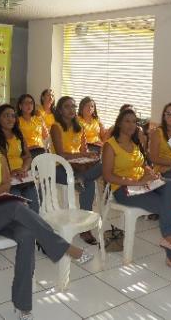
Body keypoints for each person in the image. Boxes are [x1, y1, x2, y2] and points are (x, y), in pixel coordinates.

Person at [0, 114, 92, 320]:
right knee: (16, 206)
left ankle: (22, 305)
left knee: (26, 234)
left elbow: (5, 185)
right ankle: (64, 247)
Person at [102, 109, 171, 275]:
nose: (131, 125)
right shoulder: (110, 145)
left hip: (142, 185)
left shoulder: (136, 144)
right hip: (123, 190)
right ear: (120, 123)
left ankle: (169, 239)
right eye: (127, 121)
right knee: (168, 205)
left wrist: (150, 173)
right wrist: (135, 181)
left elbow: (142, 165)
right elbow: (107, 176)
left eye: (134, 122)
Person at [50, 96, 102, 245]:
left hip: (79, 167)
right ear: (60, 110)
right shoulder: (56, 127)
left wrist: (90, 155)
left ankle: (82, 179)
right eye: (67, 106)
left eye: (73, 106)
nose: (72, 109)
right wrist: (84, 154)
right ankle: (85, 229)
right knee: (90, 182)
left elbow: (84, 149)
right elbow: (61, 154)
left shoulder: (80, 126)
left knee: (101, 166)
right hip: (59, 167)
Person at [0, 104, 39, 213]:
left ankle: (34, 226)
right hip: (4, 178)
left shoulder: (19, 135)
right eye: (6, 116)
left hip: (22, 177)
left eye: (13, 116)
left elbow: (27, 156)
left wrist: (23, 169)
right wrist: (10, 172)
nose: (10, 119)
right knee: (17, 203)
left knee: (34, 200)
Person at [148, 103, 171, 182]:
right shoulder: (157, 133)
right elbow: (153, 158)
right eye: (169, 114)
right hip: (164, 170)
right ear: (164, 117)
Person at [16, 93, 48, 159]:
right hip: (26, 151)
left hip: (40, 150)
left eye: (31, 103)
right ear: (20, 106)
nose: (29, 105)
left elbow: (45, 136)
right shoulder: (17, 121)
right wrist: (30, 148)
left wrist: (42, 120)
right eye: (26, 103)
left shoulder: (38, 119)